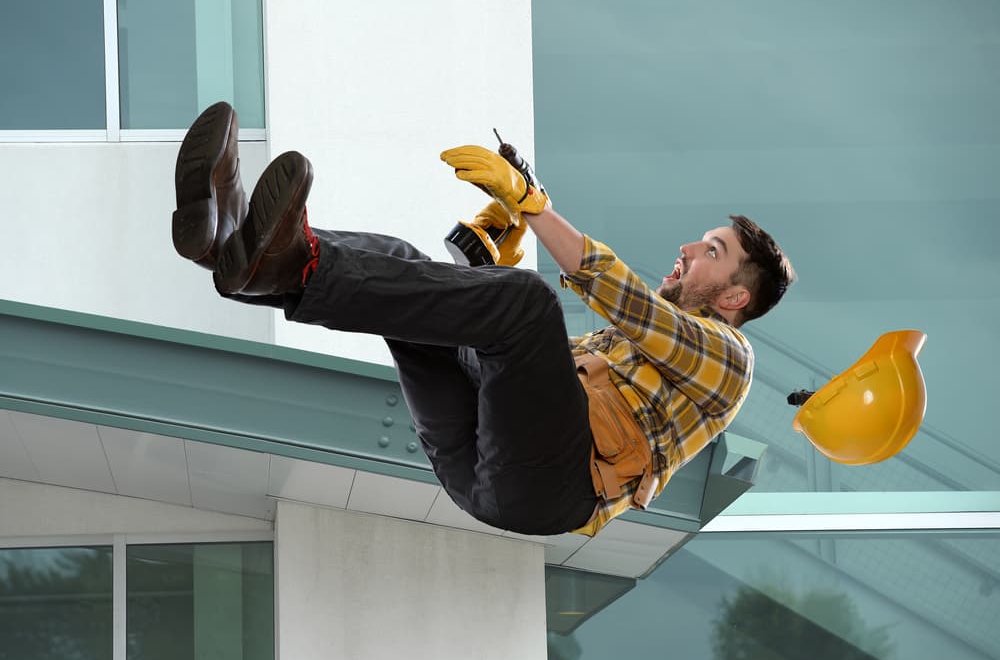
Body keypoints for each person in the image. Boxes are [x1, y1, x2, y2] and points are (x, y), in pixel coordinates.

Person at [172, 102, 796, 537]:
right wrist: (479, 266)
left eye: (711, 251)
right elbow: (515, 367)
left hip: (553, 487)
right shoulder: (613, 349)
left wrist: (536, 206)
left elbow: (627, 305)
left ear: (734, 299)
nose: (687, 250)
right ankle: (241, 255)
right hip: (486, 456)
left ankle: (267, 259)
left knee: (529, 303)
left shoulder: (729, 362)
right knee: (402, 264)